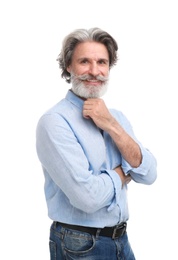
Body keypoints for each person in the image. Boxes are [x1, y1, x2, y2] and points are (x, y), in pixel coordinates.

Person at [36, 27, 157, 260]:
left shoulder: (117, 118)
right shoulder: (54, 122)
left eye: (102, 62)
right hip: (79, 244)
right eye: (84, 61)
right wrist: (123, 173)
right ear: (68, 66)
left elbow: (149, 173)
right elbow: (87, 198)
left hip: (122, 240)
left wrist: (111, 125)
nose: (94, 71)